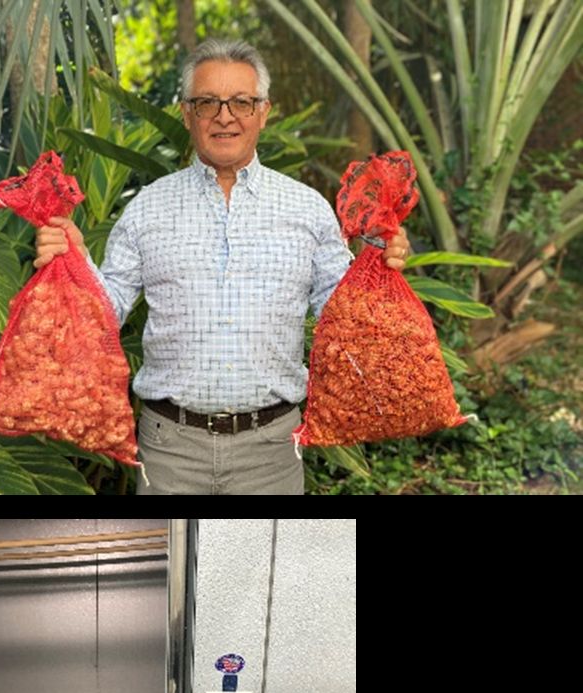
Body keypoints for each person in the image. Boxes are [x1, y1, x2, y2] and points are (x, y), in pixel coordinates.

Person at [35, 39, 410, 495]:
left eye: (242, 102)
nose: (225, 115)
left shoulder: (308, 210)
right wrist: (73, 260)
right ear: (187, 113)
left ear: (264, 111)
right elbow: (104, 314)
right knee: (171, 563)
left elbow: (343, 318)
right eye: (207, 102)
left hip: (271, 453)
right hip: (170, 449)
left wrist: (379, 262)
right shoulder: (147, 209)